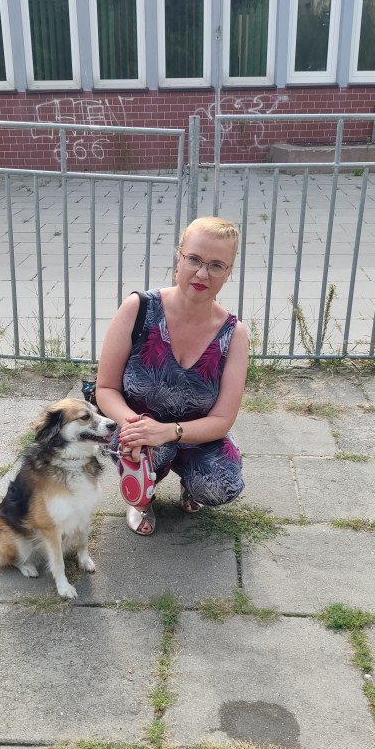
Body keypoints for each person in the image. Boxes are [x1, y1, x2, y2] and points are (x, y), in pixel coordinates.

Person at [96, 216, 248, 535]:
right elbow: (106, 388)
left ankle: (190, 484)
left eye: (216, 265)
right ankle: (140, 498)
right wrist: (135, 425)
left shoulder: (234, 334)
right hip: (139, 424)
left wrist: (169, 431)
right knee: (143, 447)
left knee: (222, 485)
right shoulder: (138, 308)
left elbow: (222, 419)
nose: (202, 274)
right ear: (179, 258)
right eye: (194, 259)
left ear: (228, 272)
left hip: (196, 434)